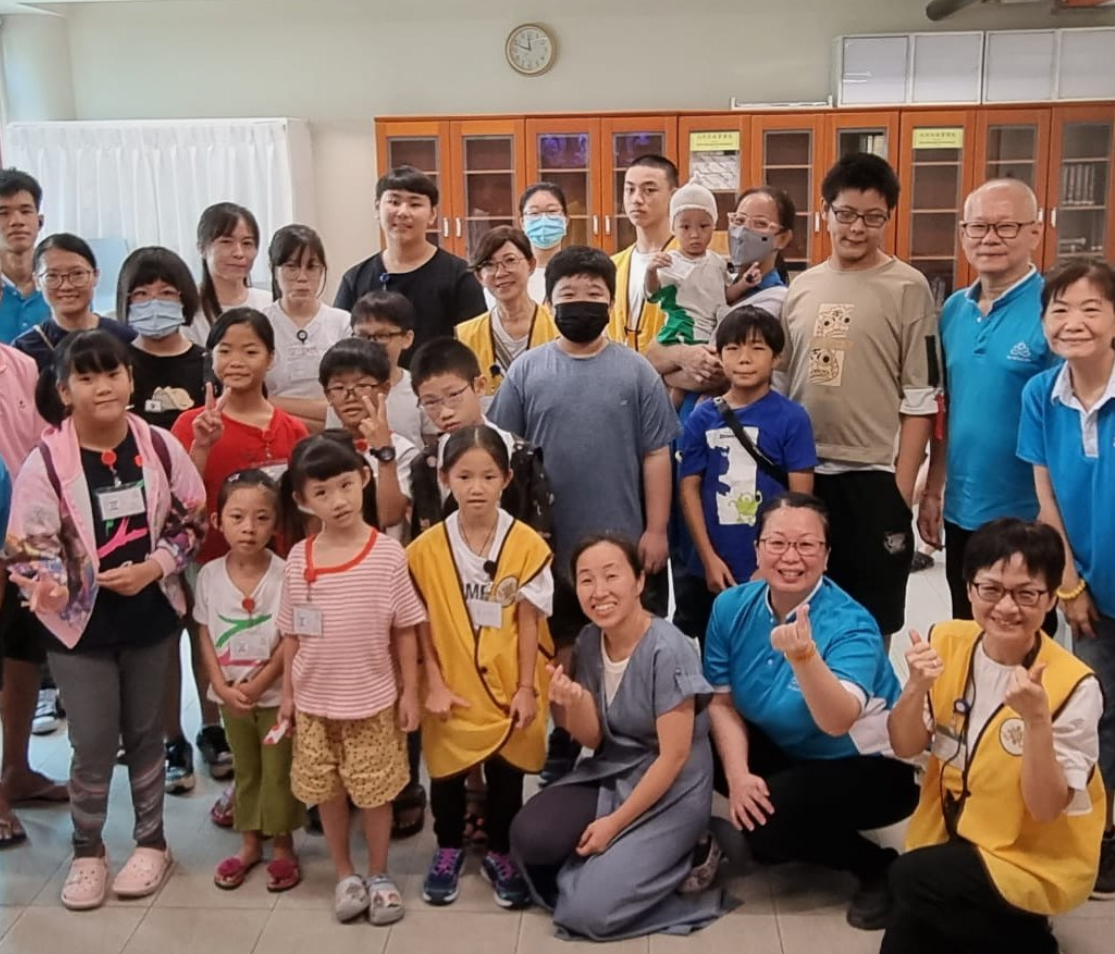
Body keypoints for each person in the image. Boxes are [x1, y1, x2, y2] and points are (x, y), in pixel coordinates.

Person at [4, 329, 207, 909]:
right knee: (92, 740)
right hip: (79, 624)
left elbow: (193, 517)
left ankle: (153, 842)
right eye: (87, 377)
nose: (103, 387)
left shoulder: (160, 445)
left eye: (112, 373)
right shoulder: (46, 462)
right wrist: (62, 582)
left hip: (151, 611)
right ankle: (88, 849)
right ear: (64, 391)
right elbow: (26, 548)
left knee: (147, 735)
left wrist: (157, 566)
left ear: (130, 379)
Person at [490, 246, 679, 783]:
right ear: (549, 302)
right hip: (549, 549)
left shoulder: (637, 372)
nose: (581, 304)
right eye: (569, 295)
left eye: (594, 295)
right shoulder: (527, 371)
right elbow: (508, 456)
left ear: (611, 302)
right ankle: (566, 741)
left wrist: (658, 528)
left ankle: (636, 741)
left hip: (627, 541)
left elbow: (656, 453)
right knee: (562, 650)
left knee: (630, 645)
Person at [885, 519, 1106, 953]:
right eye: (991, 589)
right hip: (952, 831)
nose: (1007, 607)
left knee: (909, 878)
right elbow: (904, 745)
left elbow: (1046, 809)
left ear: (1050, 601)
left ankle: (1025, 937)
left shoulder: (1075, 685)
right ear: (968, 590)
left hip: (1030, 852)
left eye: (1026, 593)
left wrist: (1037, 722)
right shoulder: (945, 641)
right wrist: (915, 688)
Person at [704, 493, 919, 930]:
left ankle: (874, 865)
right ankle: (786, 811)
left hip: (871, 767)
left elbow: (837, 720)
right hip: (793, 746)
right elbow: (721, 702)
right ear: (757, 549)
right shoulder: (731, 607)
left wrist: (804, 658)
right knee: (695, 736)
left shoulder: (851, 624)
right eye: (777, 543)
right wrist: (740, 775)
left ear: (826, 555)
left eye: (806, 545)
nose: (791, 557)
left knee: (764, 827)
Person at [510, 533, 726, 939]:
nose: (600, 591)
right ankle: (612, 868)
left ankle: (698, 850)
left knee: (588, 912)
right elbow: (595, 739)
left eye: (612, 576)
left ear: (640, 582)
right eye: (586, 579)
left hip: (672, 786)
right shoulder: (591, 641)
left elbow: (674, 757)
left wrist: (613, 824)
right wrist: (571, 703)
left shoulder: (668, 649)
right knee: (529, 838)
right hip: (613, 769)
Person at [779, 153, 939, 642]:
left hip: (873, 475)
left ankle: (868, 715)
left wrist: (902, 486)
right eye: (845, 214)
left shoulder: (908, 288)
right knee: (800, 603)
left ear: (888, 217)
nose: (857, 228)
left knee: (872, 615)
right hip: (804, 472)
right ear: (824, 212)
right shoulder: (801, 287)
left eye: (873, 218)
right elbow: (783, 382)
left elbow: (921, 397)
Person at [277, 434, 425, 925]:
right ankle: (345, 873)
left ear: (364, 478)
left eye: (345, 485)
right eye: (321, 492)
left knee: (377, 793)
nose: (337, 500)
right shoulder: (301, 559)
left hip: (374, 701)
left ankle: (379, 873)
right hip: (316, 703)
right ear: (302, 500)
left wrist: (410, 692)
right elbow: (292, 635)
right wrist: (288, 697)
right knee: (329, 792)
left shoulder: (388, 555)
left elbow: (406, 630)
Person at [408, 425, 553, 909]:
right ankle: (448, 846)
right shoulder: (425, 549)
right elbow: (419, 621)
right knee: (446, 773)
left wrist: (529, 688)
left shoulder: (527, 544)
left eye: (487, 476)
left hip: (511, 681)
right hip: (448, 682)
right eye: (464, 475)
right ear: (445, 478)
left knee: (508, 774)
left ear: (506, 479)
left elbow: (531, 623)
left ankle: (500, 850)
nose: (475, 487)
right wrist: (431, 680)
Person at [170, 308, 308, 798]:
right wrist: (202, 446)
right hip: (211, 561)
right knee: (212, 642)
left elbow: (302, 500)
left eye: (250, 350)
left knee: (277, 644)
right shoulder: (192, 423)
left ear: (270, 358)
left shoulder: (291, 428)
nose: (236, 360)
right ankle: (216, 727)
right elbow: (179, 497)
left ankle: (280, 727)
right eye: (225, 349)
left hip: (278, 563)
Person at [1018, 259, 1115, 897]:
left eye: (1090, 308)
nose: (1072, 322)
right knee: (1098, 711)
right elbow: (1046, 502)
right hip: (1092, 588)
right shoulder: (1040, 395)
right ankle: (1102, 837)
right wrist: (1071, 586)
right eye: (1059, 309)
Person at [919, 179, 1055, 624]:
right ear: (962, 234)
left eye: (1005, 226)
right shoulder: (954, 310)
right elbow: (947, 409)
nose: (989, 238)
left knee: (1024, 644)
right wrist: (934, 487)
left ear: (1036, 232)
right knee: (969, 632)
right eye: (978, 227)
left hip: (1030, 516)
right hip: (962, 509)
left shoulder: (1053, 310)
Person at [195, 470, 305, 892]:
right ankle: (248, 841)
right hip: (230, 696)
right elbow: (203, 633)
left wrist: (261, 685)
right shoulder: (208, 576)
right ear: (217, 520)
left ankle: (282, 844)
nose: (249, 528)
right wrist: (221, 688)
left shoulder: (286, 573)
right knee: (245, 768)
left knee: (278, 769)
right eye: (237, 517)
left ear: (276, 523)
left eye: (261, 518)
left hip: (276, 696)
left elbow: (290, 637)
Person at [678, 308, 816, 642]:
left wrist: (773, 566)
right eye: (733, 348)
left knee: (766, 652)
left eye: (757, 348)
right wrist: (708, 558)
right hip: (712, 564)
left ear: (777, 357)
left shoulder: (792, 418)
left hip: (771, 567)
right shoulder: (701, 418)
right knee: (713, 655)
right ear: (720, 356)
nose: (744, 358)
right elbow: (688, 489)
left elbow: (800, 503)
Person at [0, 338, 61, 849]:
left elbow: (43, 444)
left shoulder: (17, 363)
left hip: (19, 535)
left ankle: (16, 770)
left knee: (20, 658)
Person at [333, 166, 486, 358]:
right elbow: (343, 348)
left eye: (415, 204)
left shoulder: (459, 276)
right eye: (394, 202)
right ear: (377, 208)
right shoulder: (355, 278)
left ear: (432, 215)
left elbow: (473, 347)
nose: (403, 212)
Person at [410, 337, 552, 540]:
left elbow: (540, 533)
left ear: (479, 386)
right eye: (430, 402)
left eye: (453, 395)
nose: (445, 411)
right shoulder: (425, 465)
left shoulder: (521, 455)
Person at [320, 337, 418, 541]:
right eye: (338, 388)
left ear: (384, 389)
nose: (350, 396)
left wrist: (385, 453)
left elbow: (390, 517)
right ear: (327, 395)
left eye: (362, 385)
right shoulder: (320, 451)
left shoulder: (404, 451)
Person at [645, 182, 753, 363]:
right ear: (673, 228)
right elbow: (652, 295)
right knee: (679, 384)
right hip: (682, 334)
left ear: (714, 225)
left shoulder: (717, 262)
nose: (695, 234)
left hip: (714, 333)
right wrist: (651, 271)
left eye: (703, 226)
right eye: (685, 227)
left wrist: (744, 284)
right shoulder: (669, 261)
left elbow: (724, 295)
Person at [262, 225, 350, 432]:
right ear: (274, 270)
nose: (302, 277)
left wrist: (272, 402)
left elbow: (347, 403)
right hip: (273, 432)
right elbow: (250, 402)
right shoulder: (260, 324)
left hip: (334, 436)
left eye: (311, 267)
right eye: (292, 267)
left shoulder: (343, 322)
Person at [456, 225, 557, 397]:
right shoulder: (465, 335)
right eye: (489, 265)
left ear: (531, 265)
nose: (500, 273)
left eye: (510, 260)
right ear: (479, 276)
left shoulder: (557, 327)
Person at [12, 234, 135, 371]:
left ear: (95, 276)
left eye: (77, 274)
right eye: (52, 276)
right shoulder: (24, 350)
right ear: (37, 281)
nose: (66, 286)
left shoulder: (125, 339)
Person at [344, 291, 433, 451]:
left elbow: (432, 446)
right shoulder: (343, 392)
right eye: (363, 336)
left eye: (382, 335)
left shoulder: (420, 388)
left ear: (407, 338)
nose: (371, 344)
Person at [609, 155, 680, 354]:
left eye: (649, 190)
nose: (637, 199)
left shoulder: (688, 260)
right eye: (630, 190)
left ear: (673, 196)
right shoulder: (613, 265)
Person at [187, 202, 272, 350]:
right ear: (201, 248)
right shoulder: (188, 310)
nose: (239, 253)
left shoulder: (269, 304)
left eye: (247, 243)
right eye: (226, 242)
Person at [0, 169, 49, 344]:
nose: (16, 221)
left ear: (40, 220)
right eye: (3, 213)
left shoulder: (62, 284)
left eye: (25, 211)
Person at [519, 182, 570, 301]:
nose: (543, 219)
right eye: (534, 213)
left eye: (552, 211)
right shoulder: (515, 274)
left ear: (566, 220)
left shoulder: (577, 270)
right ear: (522, 223)